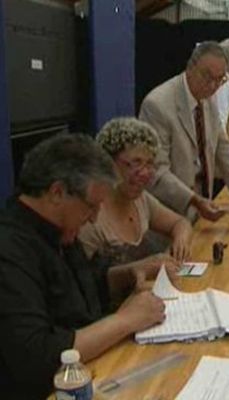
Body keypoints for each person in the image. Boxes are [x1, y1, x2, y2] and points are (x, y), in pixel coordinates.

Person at [0, 134, 168, 398]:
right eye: (92, 206)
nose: (94, 218)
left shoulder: (59, 229)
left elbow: (86, 286)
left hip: (98, 371)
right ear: (57, 192)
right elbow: (37, 357)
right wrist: (125, 320)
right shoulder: (10, 250)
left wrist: (131, 273)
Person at [139, 41, 229, 221]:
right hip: (169, 213)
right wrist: (194, 200)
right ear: (189, 68)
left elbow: (223, 145)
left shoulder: (208, 99)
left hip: (202, 207)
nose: (213, 85)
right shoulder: (157, 105)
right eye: (207, 77)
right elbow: (156, 171)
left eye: (219, 79)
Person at [78, 117, 193, 268]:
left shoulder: (141, 200)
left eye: (150, 164)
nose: (145, 173)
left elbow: (180, 223)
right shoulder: (90, 219)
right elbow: (87, 283)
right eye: (136, 163)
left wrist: (180, 242)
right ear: (108, 163)